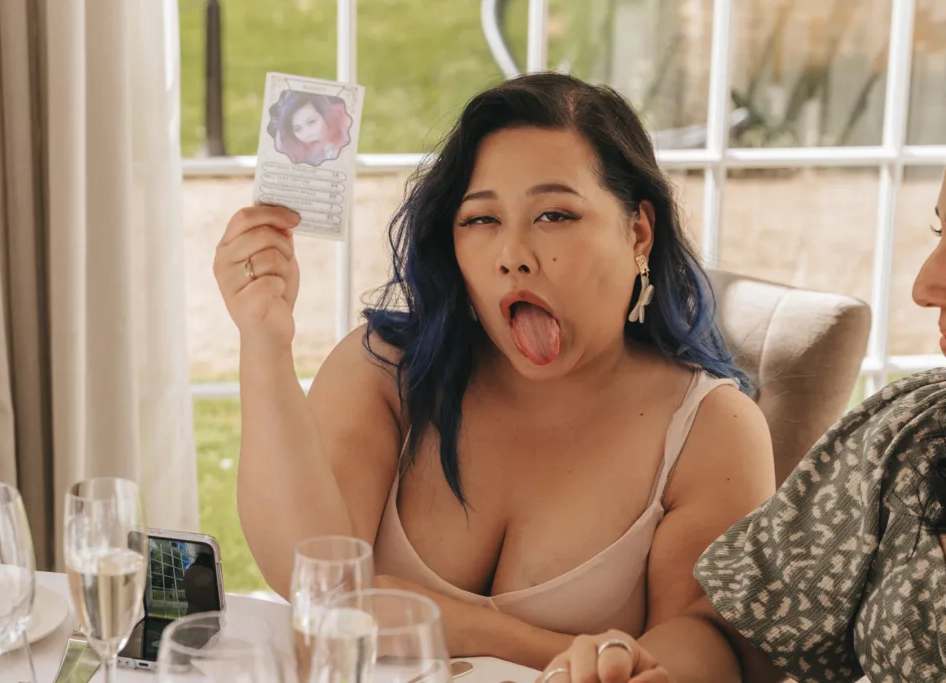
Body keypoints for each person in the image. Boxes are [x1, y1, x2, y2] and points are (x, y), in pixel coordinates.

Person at [216, 73, 774, 668]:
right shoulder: (386, 370)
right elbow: (312, 580)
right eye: (481, 220)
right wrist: (265, 342)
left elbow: (703, 645)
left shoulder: (710, 428)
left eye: (555, 215)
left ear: (638, 230)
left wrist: (432, 621)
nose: (513, 256)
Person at [537, 172, 946, 682]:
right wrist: (649, 668)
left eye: (556, 215)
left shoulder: (708, 420)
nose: (924, 288)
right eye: (938, 233)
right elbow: (738, 634)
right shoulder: (910, 436)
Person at [267, 91, 352, 167]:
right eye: (298, 129)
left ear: (324, 114)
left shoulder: (345, 126)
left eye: (312, 122)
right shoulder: (286, 143)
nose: (307, 134)